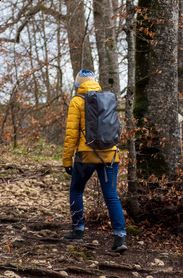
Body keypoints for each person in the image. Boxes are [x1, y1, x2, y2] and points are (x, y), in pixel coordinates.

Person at [61, 70, 128, 253]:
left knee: (76, 190)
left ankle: (78, 231)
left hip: (87, 156)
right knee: (111, 196)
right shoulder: (107, 98)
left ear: (78, 85)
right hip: (111, 156)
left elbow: (71, 134)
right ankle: (120, 237)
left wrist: (67, 160)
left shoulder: (77, 101)